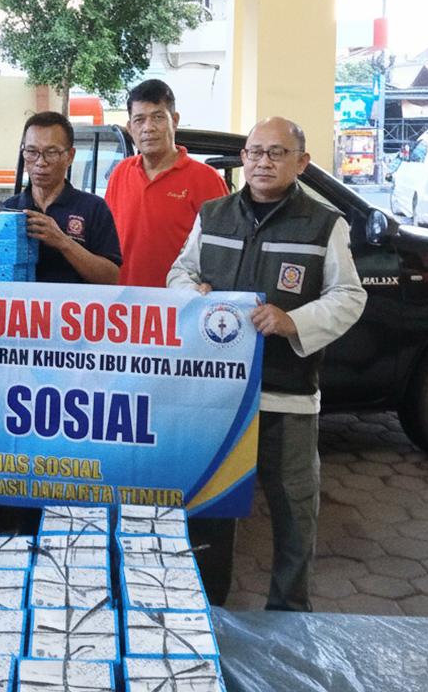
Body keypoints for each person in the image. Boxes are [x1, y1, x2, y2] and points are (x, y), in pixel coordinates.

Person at [168, 116, 367, 611]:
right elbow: (179, 272)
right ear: (243, 159)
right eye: (255, 152)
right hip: (218, 398)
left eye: (277, 153)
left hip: (286, 395)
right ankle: (211, 611)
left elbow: (349, 295)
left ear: (302, 162)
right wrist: (194, 295)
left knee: (293, 511)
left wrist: (293, 321)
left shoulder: (324, 224)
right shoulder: (213, 215)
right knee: (212, 507)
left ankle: (290, 614)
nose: (263, 162)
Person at [104, 79, 228, 287]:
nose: (148, 128)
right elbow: (107, 239)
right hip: (123, 301)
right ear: (130, 127)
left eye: (158, 117)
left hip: (180, 302)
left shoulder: (207, 179)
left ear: (175, 120)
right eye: (139, 120)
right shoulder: (120, 173)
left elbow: (223, 250)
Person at [3, 111, 121, 285]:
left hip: (74, 303)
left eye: (51, 152)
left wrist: (63, 241)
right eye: (32, 151)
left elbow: (111, 278)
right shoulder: (9, 209)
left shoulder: (93, 208)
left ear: (70, 156)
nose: (40, 162)